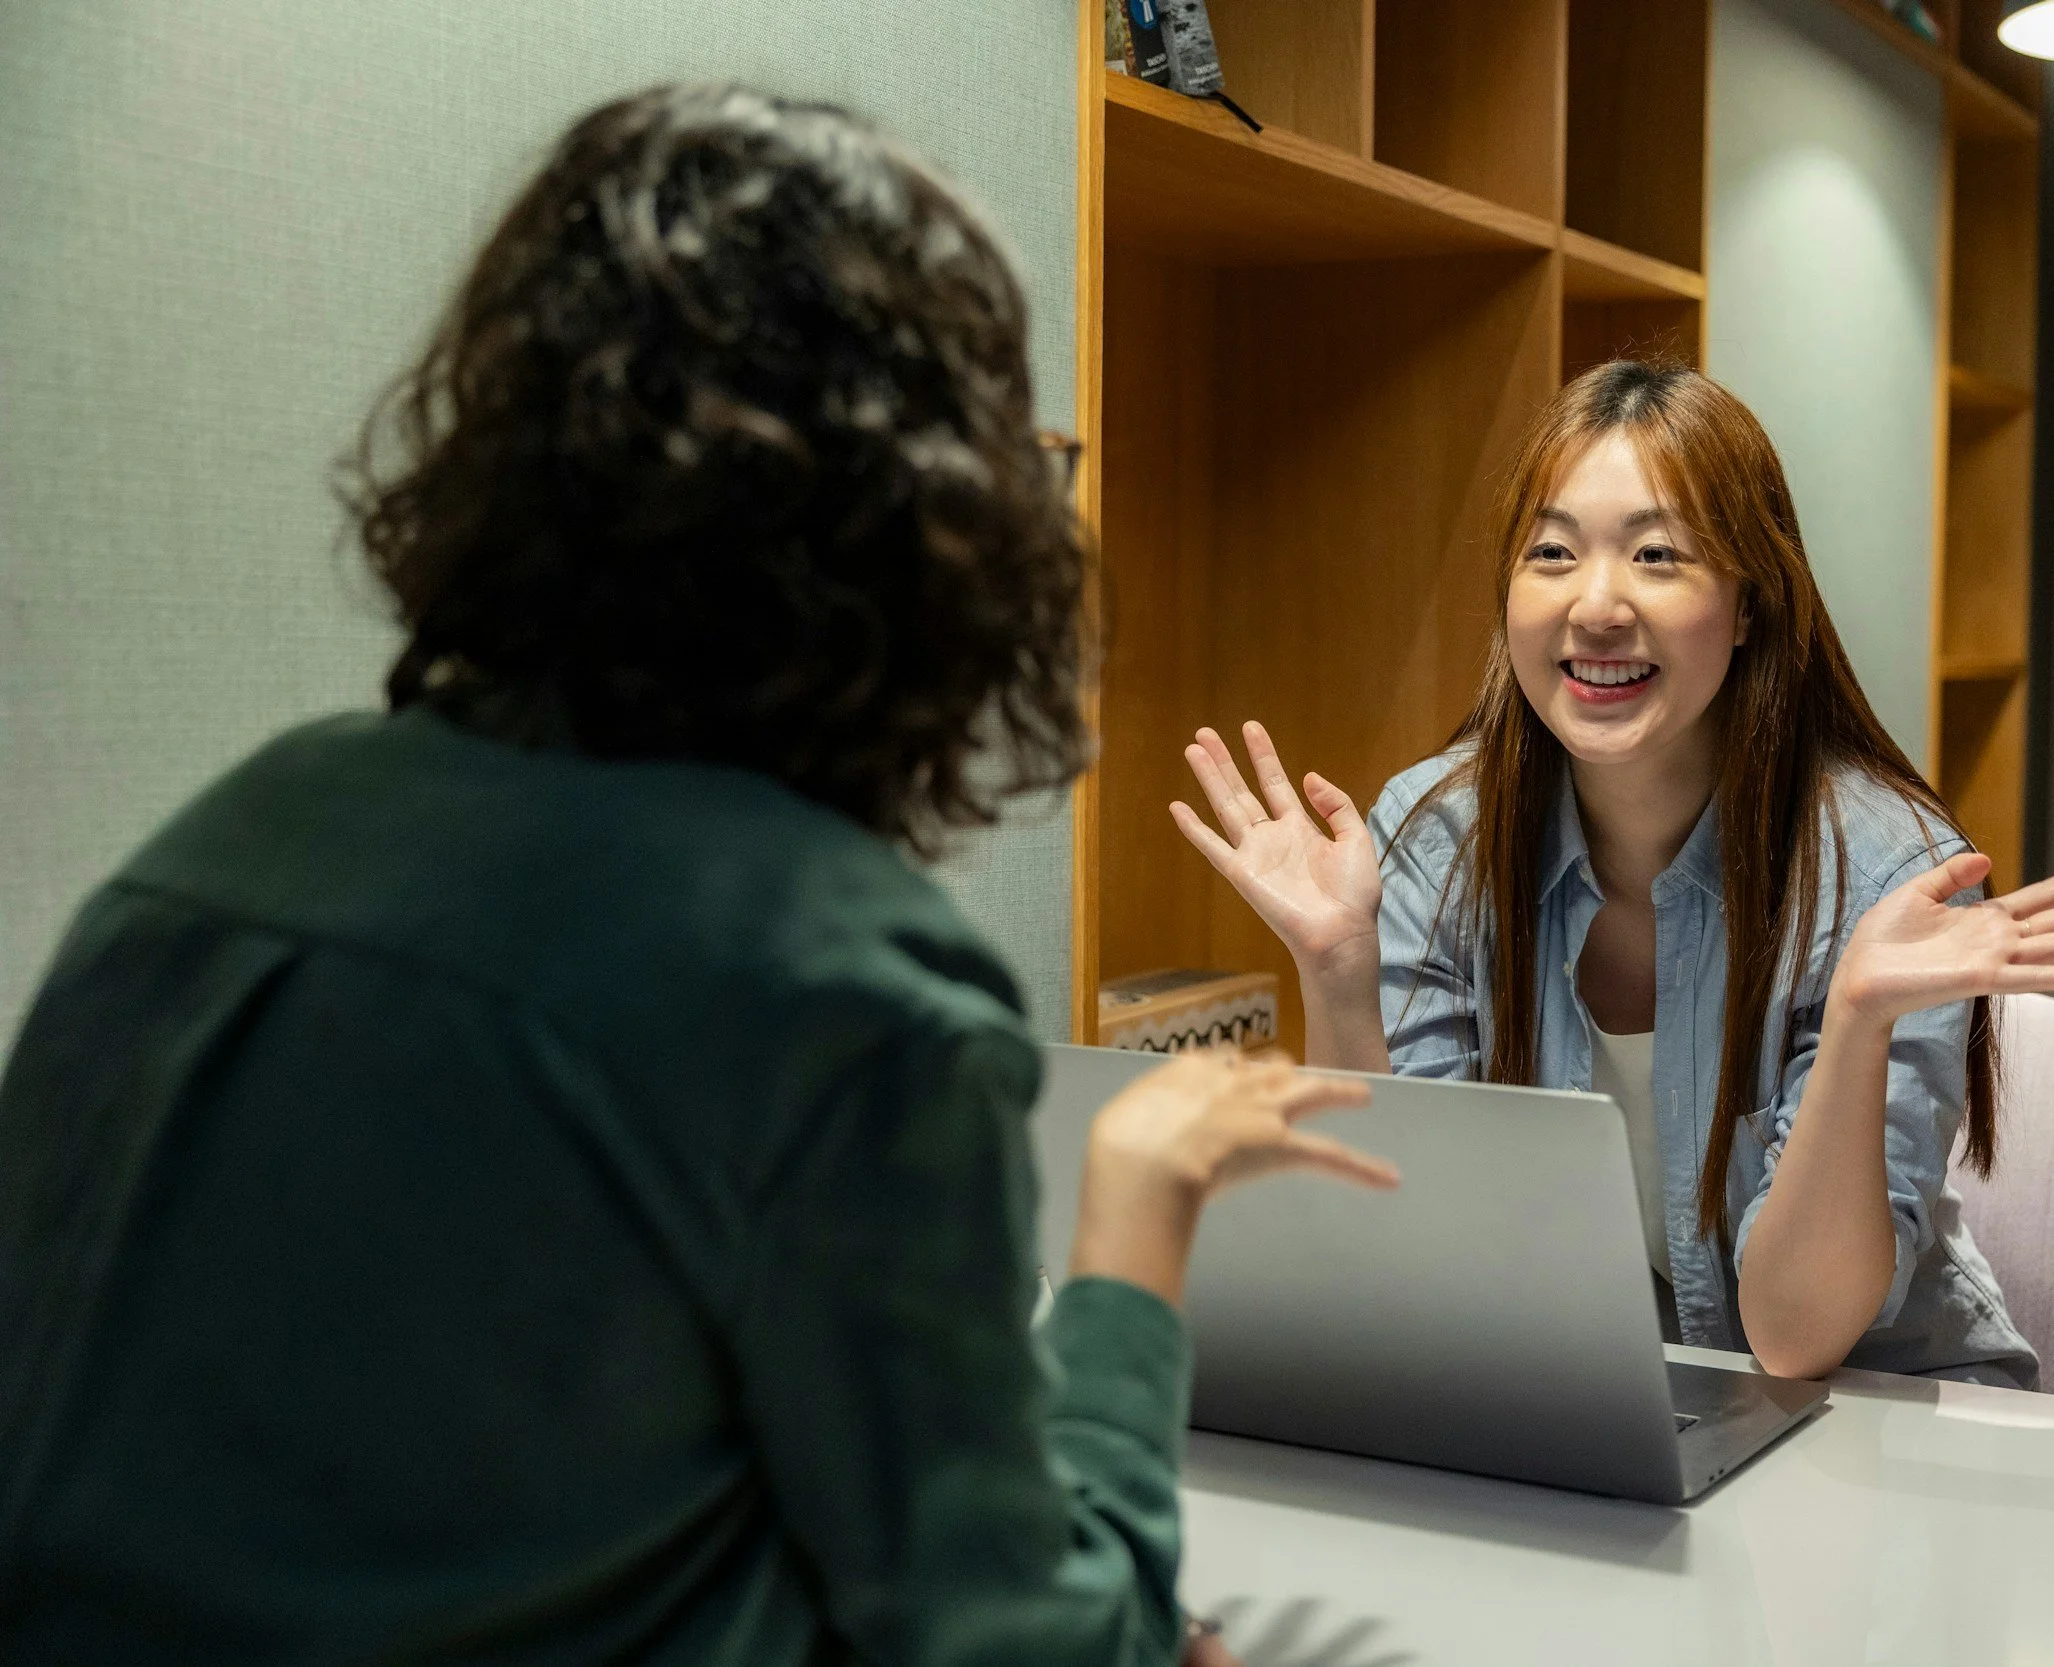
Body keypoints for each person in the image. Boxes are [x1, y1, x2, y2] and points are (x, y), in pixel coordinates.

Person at [0, 84, 1395, 1664]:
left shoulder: (223, 842)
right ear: (932, 531)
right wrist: (1136, 1219)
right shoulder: (838, 987)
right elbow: (1037, 1647)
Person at [1173, 360, 2054, 1387]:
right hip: (1593, 1403)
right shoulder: (1437, 837)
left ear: (1748, 606)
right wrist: (1335, 977)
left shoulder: (1886, 873)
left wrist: (1858, 1016)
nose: (1595, 604)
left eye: (1656, 553)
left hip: (1877, 1412)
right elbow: (1411, 1267)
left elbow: (1796, 1337)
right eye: (1550, 551)